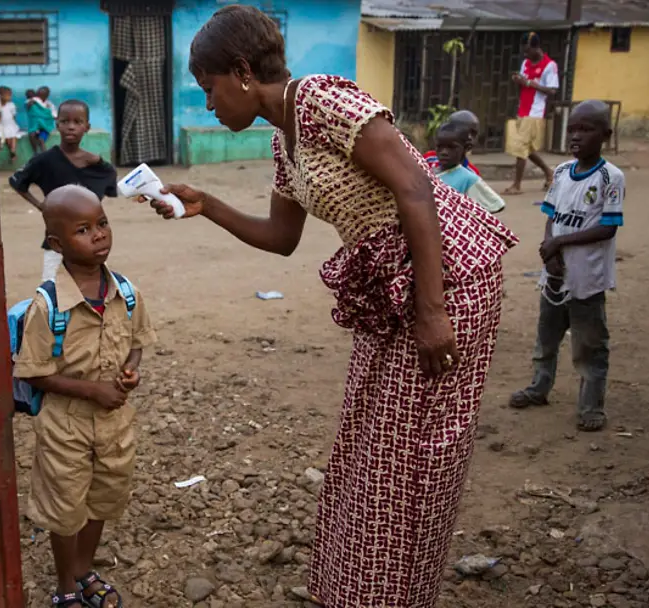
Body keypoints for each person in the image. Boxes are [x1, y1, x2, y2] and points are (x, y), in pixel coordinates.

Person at [141, 6, 518, 607]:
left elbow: (415, 186)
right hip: (386, 288)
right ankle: (359, 589)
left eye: (209, 88)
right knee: (369, 443)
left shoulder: (320, 99)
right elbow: (280, 238)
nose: (208, 104)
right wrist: (204, 204)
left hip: (447, 276)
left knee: (412, 452)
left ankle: (392, 594)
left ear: (241, 72)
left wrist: (432, 310)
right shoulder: (284, 141)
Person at [14, 184, 157, 608]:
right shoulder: (48, 305)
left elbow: (136, 340)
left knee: (102, 498)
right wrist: (92, 390)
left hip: (114, 423)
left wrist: (131, 369)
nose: (98, 235)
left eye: (102, 224)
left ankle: (83, 569)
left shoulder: (125, 292)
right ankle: (64, 588)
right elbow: (35, 373)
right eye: (83, 229)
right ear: (57, 244)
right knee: (65, 507)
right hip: (66, 424)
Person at [509, 100, 623, 432]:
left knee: (589, 344)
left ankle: (591, 406)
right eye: (572, 129)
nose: (576, 136)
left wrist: (560, 243)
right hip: (555, 273)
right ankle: (539, 387)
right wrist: (550, 249)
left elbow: (608, 227)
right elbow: (552, 216)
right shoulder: (560, 172)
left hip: (587, 276)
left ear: (605, 134)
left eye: (585, 129)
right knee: (546, 336)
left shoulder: (609, 177)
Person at [10, 99, 117, 281]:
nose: (71, 127)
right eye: (65, 122)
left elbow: (110, 180)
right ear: (57, 125)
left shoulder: (94, 163)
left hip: (91, 244)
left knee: (97, 289)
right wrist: (40, 205)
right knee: (52, 292)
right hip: (57, 244)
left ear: (87, 127)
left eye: (77, 122)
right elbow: (17, 182)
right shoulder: (45, 160)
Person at [504, 32, 558, 195]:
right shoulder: (526, 63)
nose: (525, 54)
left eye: (528, 51)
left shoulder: (549, 65)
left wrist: (529, 83)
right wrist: (519, 81)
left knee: (521, 148)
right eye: (524, 51)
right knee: (526, 148)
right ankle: (549, 172)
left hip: (535, 111)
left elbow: (552, 90)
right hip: (523, 108)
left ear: (537, 48)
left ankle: (517, 185)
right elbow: (524, 84)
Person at [433, 122, 505, 214]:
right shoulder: (428, 173)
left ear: (466, 148)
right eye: (440, 147)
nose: (444, 152)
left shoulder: (468, 178)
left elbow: (496, 205)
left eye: (452, 147)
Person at [424, 109, 480, 175]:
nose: (471, 139)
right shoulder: (429, 159)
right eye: (467, 133)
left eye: (473, 134)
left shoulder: (472, 173)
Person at [26, 86, 56, 155]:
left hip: (45, 127)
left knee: (41, 140)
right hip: (36, 126)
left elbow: (53, 116)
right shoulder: (33, 101)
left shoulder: (49, 105)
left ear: (46, 96)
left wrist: (44, 116)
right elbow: (28, 107)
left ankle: (45, 156)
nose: (38, 97)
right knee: (31, 134)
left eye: (40, 95)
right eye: (37, 94)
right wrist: (31, 103)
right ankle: (35, 153)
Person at [0, 86, 23, 162]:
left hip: (10, 125)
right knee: (5, 134)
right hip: (1, 125)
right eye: (8, 95)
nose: (10, 97)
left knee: (12, 135)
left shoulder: (11, 105)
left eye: (10, 95)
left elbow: (13, 117)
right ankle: (12, 151)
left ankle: (12, 151)